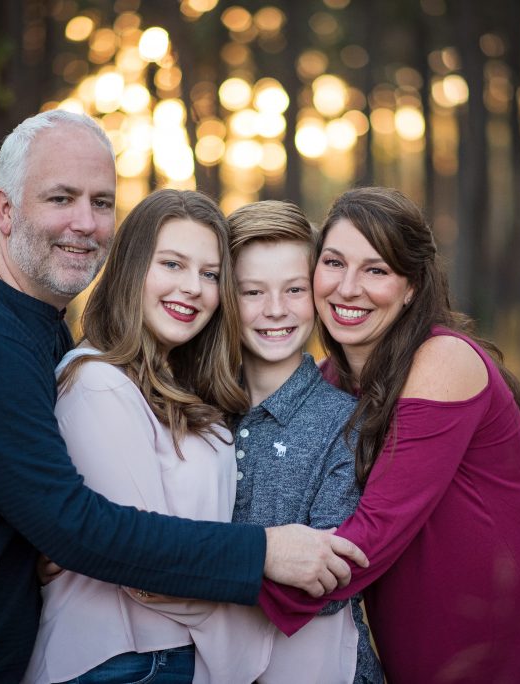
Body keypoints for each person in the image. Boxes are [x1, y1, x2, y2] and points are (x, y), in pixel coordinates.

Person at [0, 110, 366, 683]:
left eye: (102, 203)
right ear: (4, 211)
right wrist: (262, 554)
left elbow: (54, 519)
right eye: (61, 198)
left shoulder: (35, 328)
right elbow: (79, 528)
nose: (84, 222)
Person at [258, 187, 520, 683]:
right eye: (334, 263)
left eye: (376, 270)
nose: (347, 288)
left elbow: (370, 538)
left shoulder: (443, 359)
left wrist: (221, 579)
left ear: (411, 287)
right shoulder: (328, 384)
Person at [24, 188, 260, 683]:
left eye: (210, 274)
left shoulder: (184, 386)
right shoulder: (96, 383)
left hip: (173, 659)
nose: (193, 287)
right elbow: (143, 570)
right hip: (118, 663)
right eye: (172, 264)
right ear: (133, 269)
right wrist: (258, 623)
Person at [227, 200, 382, 683]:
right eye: (252, 291)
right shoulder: (193, 411)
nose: (275, 310)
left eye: (294, 289)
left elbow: (324, 582)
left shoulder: (346, 425)